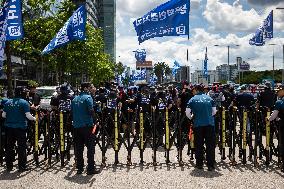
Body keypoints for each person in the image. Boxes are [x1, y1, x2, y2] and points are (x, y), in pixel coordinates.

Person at [2, 87, 36, 172]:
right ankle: (22, 167)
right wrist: (35, 119)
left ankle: (9, 166)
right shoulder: (24, 103)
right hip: (20, 128)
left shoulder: (8, 102)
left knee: (9, 147)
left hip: (9, 128)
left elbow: (3, 115)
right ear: (22, 93)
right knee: (21, 147)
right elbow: (28, 116)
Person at [186, 84, 217, 171]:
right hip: (209, 124)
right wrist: (207, 116)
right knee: (210, 145)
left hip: (198, 124)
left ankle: (199, 164)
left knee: (198, 144)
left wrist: (192, 117)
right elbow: (214, 111)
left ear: (196, 90)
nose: (192, 92)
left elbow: (187, 112)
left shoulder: (192, 99)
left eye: (193, 90)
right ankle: (210, 165)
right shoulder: (210, 98)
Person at [71, 82, 99, 175]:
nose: (92, 88)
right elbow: (91, 110)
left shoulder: (74, 99)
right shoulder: (88, 98)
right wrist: (96, 121)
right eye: (91, 87)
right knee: (90, 148)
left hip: (76, 127)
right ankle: (90, 168)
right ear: (86, 88)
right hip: (87, 126)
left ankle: (79, 168)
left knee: (79, 148)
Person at [269, 85, 284, 172]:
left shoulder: (280, 102)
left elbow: (274, 115)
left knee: (282, 144)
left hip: (283, 125)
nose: (277, 92)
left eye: (279, 91)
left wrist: (268, 119)